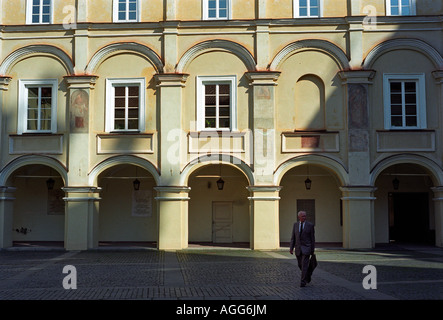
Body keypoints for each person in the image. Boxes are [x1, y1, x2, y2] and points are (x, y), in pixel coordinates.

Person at [289, 211, 315, 287]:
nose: (304, 217)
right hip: (298, 248)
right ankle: (307, 276)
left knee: (304, 265)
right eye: (302, 216)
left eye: (305, 216)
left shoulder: (310, 225)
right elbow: (293, 238)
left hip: (307, 248)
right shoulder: (295, 225)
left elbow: (312, 238)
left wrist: (312, 249)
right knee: (300, 265)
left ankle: (303, 281)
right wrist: (291, 248)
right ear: (299, 217)